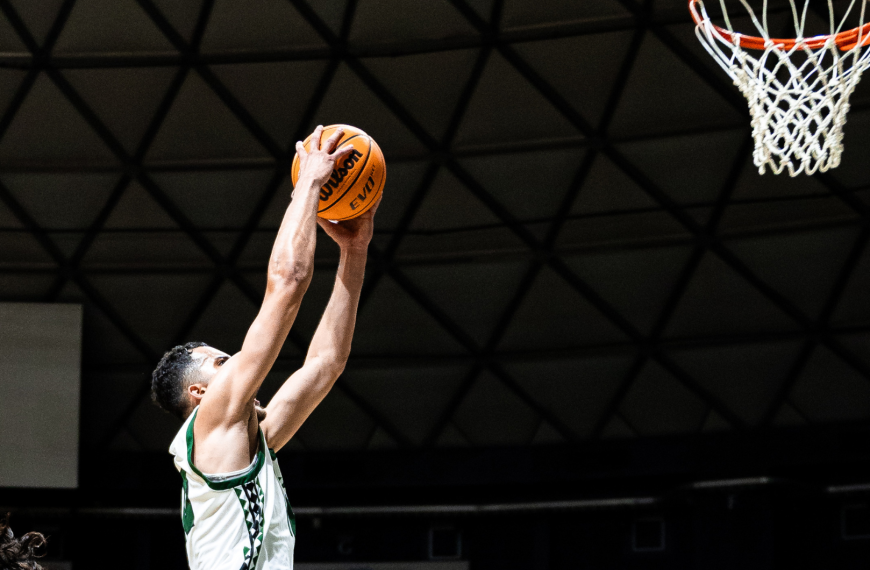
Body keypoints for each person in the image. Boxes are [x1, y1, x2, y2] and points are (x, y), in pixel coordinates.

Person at [150, 125, 378, 570]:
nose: (236, 362)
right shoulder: (213, 423)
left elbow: (326, 364)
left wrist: (356, 251)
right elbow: (287, 283)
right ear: (199, 395)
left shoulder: (254, 440)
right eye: (220, 362)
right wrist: (309, 182)